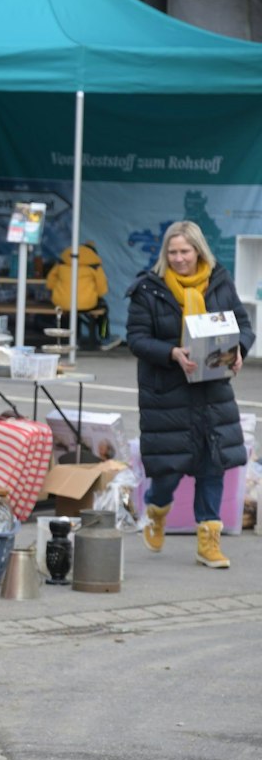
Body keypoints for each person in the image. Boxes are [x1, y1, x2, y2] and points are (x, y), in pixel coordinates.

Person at [126, 220, 252, 569]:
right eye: (172, 251)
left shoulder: (220, 282)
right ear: (164, 254)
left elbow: (242, 326)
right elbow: (136, 339)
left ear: (199, 251)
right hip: (167, 394)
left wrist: (240, 348)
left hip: (212, 392)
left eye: (185, 251)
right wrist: (172, 353)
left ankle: (208, 543)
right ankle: (156, 508)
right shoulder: (148, 290)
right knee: (168, 470)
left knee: (213, 465)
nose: (179, 258)